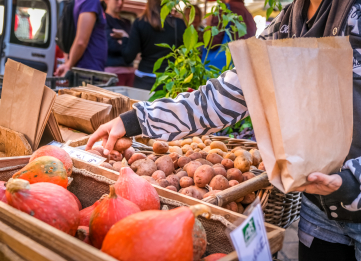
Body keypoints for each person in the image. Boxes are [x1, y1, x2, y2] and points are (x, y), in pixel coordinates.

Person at [86, 0, 361, 260]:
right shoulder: (288, 22)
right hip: (320, 210)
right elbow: (222, 98)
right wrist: (134, 121)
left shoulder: (354, 15)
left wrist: (351, 183)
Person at [115, 0, 186, 90]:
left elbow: (128, 57)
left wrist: (125, 38)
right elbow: (186, 53)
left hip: (144, 80)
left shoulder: (140, 23)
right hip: (170, 82)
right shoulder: (178, 24)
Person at [55, 0, 107, 76]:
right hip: (87, 70)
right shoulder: (91, 2)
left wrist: (68, 63)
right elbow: (81, 42)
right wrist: (69, 65)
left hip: (87, 69)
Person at [104, 0, 135, 86]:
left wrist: (123, 39)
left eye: (122, 0)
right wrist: (127, 40)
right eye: (117, 0)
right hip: (113, 72)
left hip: (130, 71)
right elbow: (112, 46)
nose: (120, 3)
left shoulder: (127, 22)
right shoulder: (104, 20)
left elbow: (134, 46)